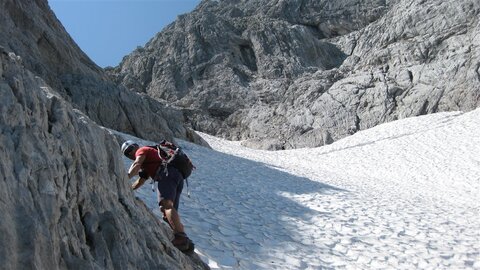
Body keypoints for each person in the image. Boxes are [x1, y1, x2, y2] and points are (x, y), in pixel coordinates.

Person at [121, 140, 194, 253]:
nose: (130, 154)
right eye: (127, 153)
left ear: (136, 147)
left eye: (130, 149)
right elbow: (141, 181)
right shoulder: (149, 161)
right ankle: (186, 244)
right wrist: (127, 188)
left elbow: (136, 165)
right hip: (177, 177)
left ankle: (181, 238)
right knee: (168, 212)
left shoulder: (142, 150)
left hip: (167, 174)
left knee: (166, 205)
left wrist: (124, 178)